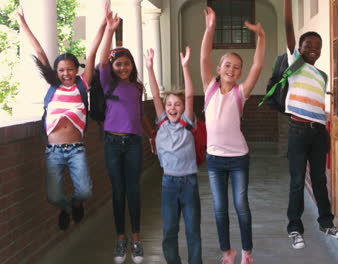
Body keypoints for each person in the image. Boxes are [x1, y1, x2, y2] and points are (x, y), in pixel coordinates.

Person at [17, 5, 106, 231]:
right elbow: (39, 52)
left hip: (76, 149)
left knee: (85, 191)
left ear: (77, 70)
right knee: (53, 196)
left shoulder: (81, 86)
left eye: (70, 69)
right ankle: (66, 208)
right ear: (55, 73)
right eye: (61, 70)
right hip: (53, 152)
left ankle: (76, 203)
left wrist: (104, 24)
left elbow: (93, 52)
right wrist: (23, 24)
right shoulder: (54, 88)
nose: (65, 73)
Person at [200, 7, 265, 264]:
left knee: (241, 207)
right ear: (219, 67)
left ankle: (247, 252)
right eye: (228, 65)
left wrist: (260, 37)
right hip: (215, 159)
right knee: (219, 210)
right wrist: (210, 28)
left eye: (237, 68)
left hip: (238, 158)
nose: (232, 69)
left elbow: (258, 65)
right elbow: (204, 57)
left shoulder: (240, 93)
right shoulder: (209, 89)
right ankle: (227, 252)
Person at [283, 0, 338, 250]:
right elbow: (288, 26)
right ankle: (295, 229)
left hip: (318, 133)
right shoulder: (295, 65)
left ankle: (326, 222)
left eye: (317, 47)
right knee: (298, 181)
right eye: (308, 46)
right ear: (299, 48)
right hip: (298, 131)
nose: (313, 50)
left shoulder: (322, 76)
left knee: (319, 180)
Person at [97, 10, 153, 264]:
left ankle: (137, 239)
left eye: (126, 63)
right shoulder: (108, 83)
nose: (122, 67)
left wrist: (152, 133)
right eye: (118, 64)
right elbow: (102, 60)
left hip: (133, 145)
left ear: (132, 66)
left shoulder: (137, 87)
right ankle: (120, 240)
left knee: (134, 191)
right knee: (118, 192)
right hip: (112, 143)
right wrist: (109, 30)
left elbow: (140, 114)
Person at [145, 46, 202, 264]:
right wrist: (149, 67)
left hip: (189, 183)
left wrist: (186, 67)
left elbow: (189, 94)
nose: (172, 107)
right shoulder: (161, 123)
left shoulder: (187, 123)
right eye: (169, 104)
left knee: (192, 230)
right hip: (168, 182)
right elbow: (155, 94)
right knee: (169, 230)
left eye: (176, 104)